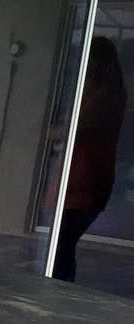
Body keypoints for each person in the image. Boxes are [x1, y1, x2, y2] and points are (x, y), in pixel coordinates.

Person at [53, 36, 128, 282]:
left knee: (63, 242)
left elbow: (76, 125)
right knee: (62, 242)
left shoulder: (107, 95)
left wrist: (50, 131)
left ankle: (59, 292)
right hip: (78, 173)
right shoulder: (94, 91)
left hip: (85, 177)